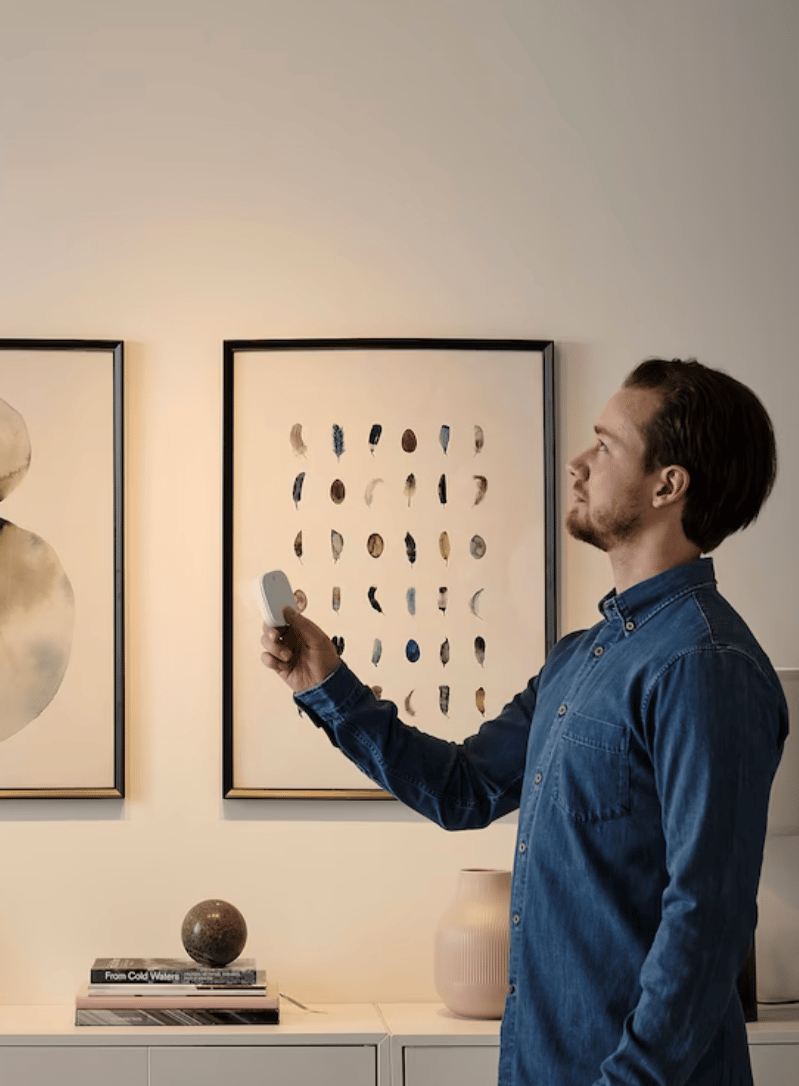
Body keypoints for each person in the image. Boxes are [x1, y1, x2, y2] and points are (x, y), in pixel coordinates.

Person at [261, 358, 788, 1086]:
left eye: (605, 446)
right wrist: (326, 683)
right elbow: (463, 790)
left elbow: (708, 919)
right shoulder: (579, 658)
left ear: (669, 485)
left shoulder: (707, 664)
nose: (578, 463)